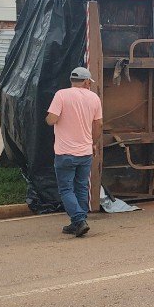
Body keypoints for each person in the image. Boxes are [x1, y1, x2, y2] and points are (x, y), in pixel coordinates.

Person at [46, 67, 102, 237]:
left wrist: (49, 117)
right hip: (85, 152)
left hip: (65, 153)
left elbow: (51, 120)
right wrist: (93, 143)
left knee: (66, 189)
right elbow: (98, 124)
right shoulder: (94, 97)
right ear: (86, 82)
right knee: (81, 187)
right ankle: (78, 221)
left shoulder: (61, 95)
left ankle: (78, 220)